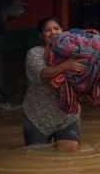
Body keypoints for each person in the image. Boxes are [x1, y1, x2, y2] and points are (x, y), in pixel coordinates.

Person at [23, 17, 84, 152]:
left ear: (63, 31)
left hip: (67, 115)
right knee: (38, 159)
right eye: (48, 30)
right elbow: (43, 74)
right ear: (41, 35)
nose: (53, 32)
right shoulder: (34, 53)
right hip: (38, 115)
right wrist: (66, 66)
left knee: (70, 151)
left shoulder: (73, 51)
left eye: (56, 29)